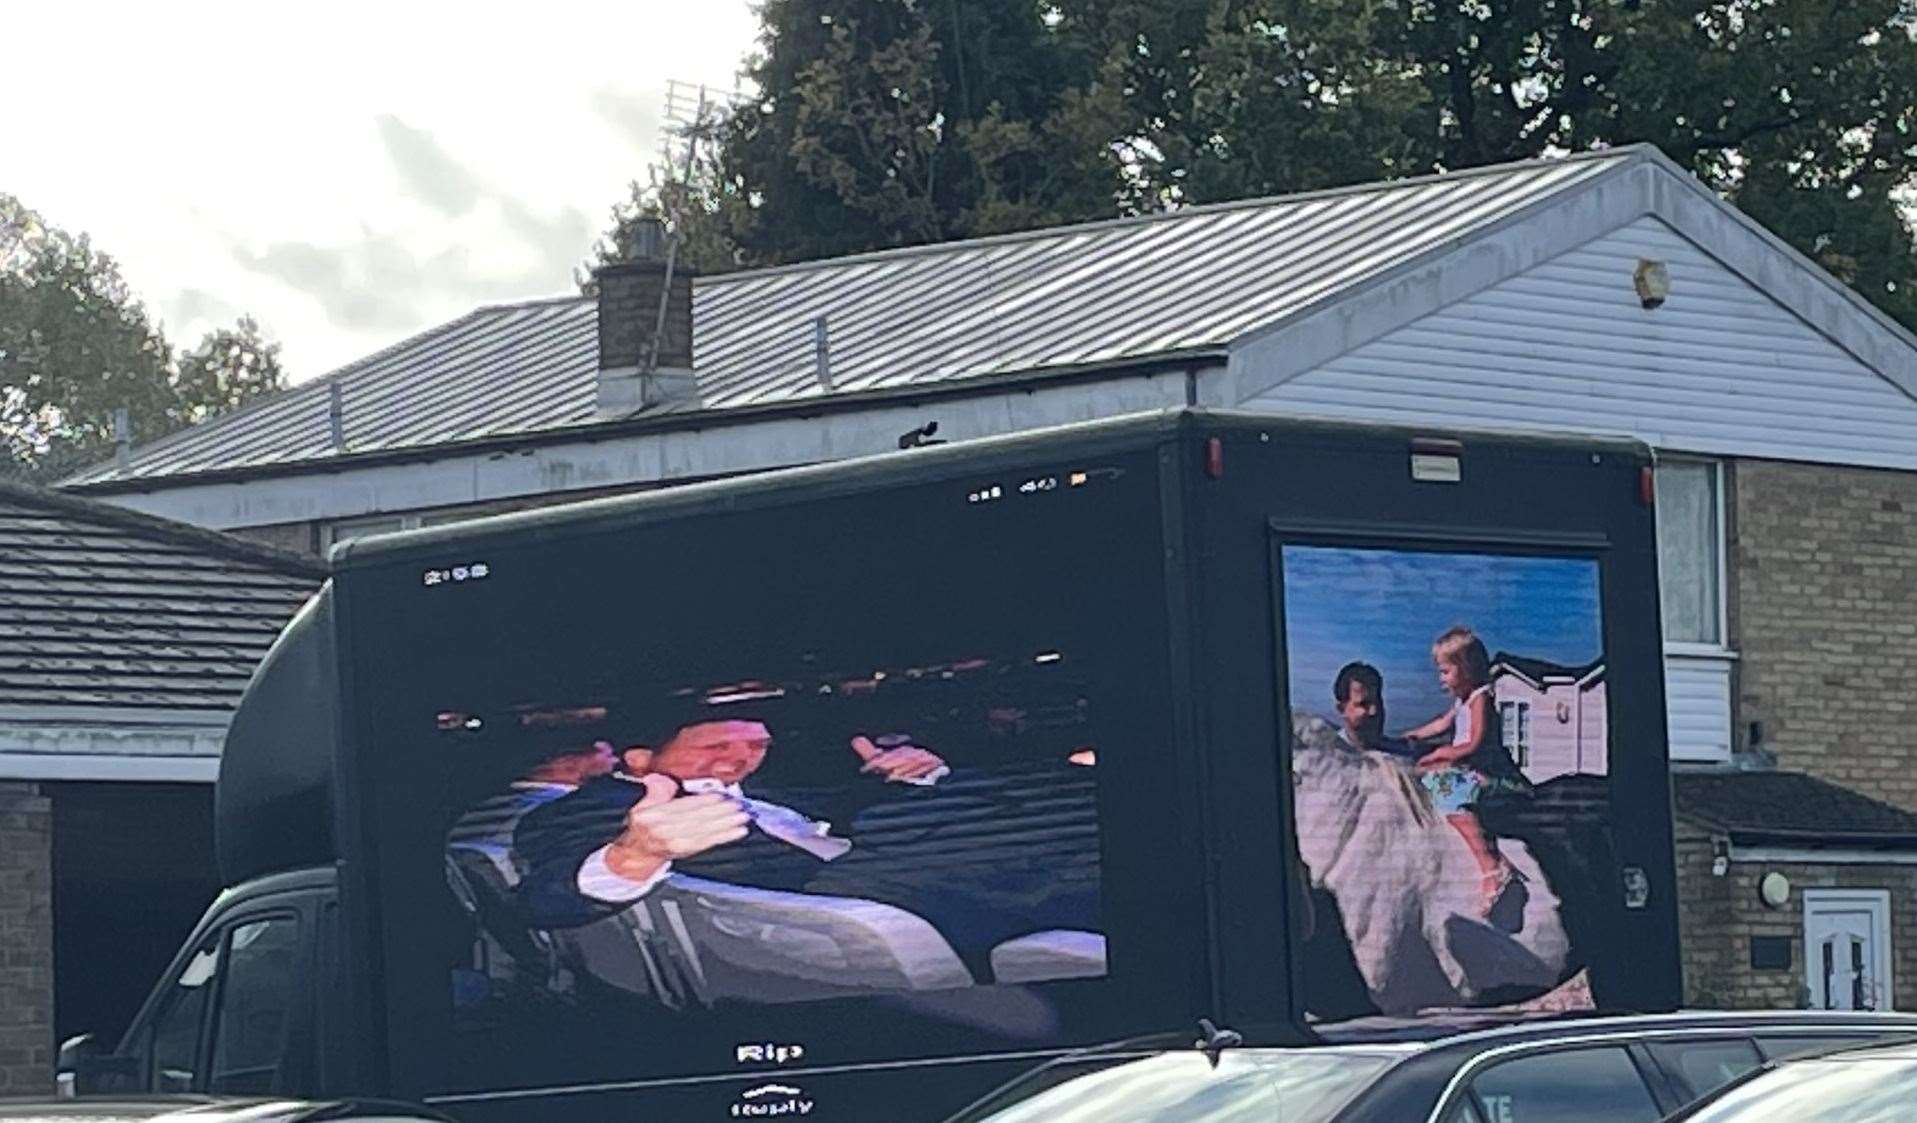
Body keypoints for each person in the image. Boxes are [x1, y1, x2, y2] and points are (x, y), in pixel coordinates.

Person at [512, 711, 1097, 973]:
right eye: (718, 746)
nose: (741, 759)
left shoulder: (759, 790)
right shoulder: (600, 806)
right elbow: (538, 899)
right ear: (640, 758)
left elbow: (832, 815)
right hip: (853, 900)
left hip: (875, 867)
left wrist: (910, 773)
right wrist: (632, 854)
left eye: (755, 746)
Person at [1399, 627, 1529, 916]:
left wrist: (1442, 754)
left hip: (1497, 778)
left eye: (1445, 671)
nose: (1441, 679)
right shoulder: (1461, 702)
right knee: (1430, 780)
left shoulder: (1481, 698)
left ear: (1466, 669)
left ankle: (1490, 866)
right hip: (1473, 773)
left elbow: (1474, 743)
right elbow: (1440, 725)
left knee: (1448, 793)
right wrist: (1410, 737)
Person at [1331, 662, 1414, 757]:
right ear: (1341, 709)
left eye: (1377, 702)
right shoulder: (1326, 756)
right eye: (1363, 704)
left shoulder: (1403, 754)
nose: (1373, 711)